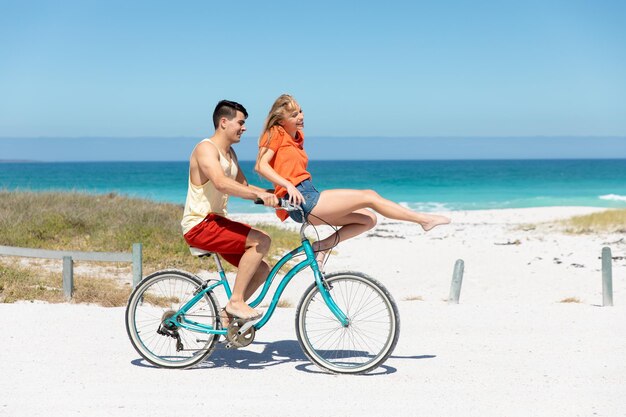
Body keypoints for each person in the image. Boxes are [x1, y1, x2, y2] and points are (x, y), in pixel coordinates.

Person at [255, 94, 451, 268]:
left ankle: (322, 246)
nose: (301, 117)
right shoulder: (276, 133)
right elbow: (261, 166)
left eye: (301, 111)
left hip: (308, 194)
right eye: (294, 115)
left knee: (368, 219)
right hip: (300, 200)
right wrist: (287, 185)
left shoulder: (297, 137)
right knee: (369, 196)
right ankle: (423, 220)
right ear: (281, 120)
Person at [181, 100, 278, 322]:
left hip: (217, 223)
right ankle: (236, 302)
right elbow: (221, 182)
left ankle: (227, 315)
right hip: (200, 225)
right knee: (261, 241)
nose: (244, 128)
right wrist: (259, 196)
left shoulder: (230, 153)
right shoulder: (205, 149)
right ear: (224, 122)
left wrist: (276, 194)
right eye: (240, 123)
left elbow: (244, 187)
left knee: (262, 270)